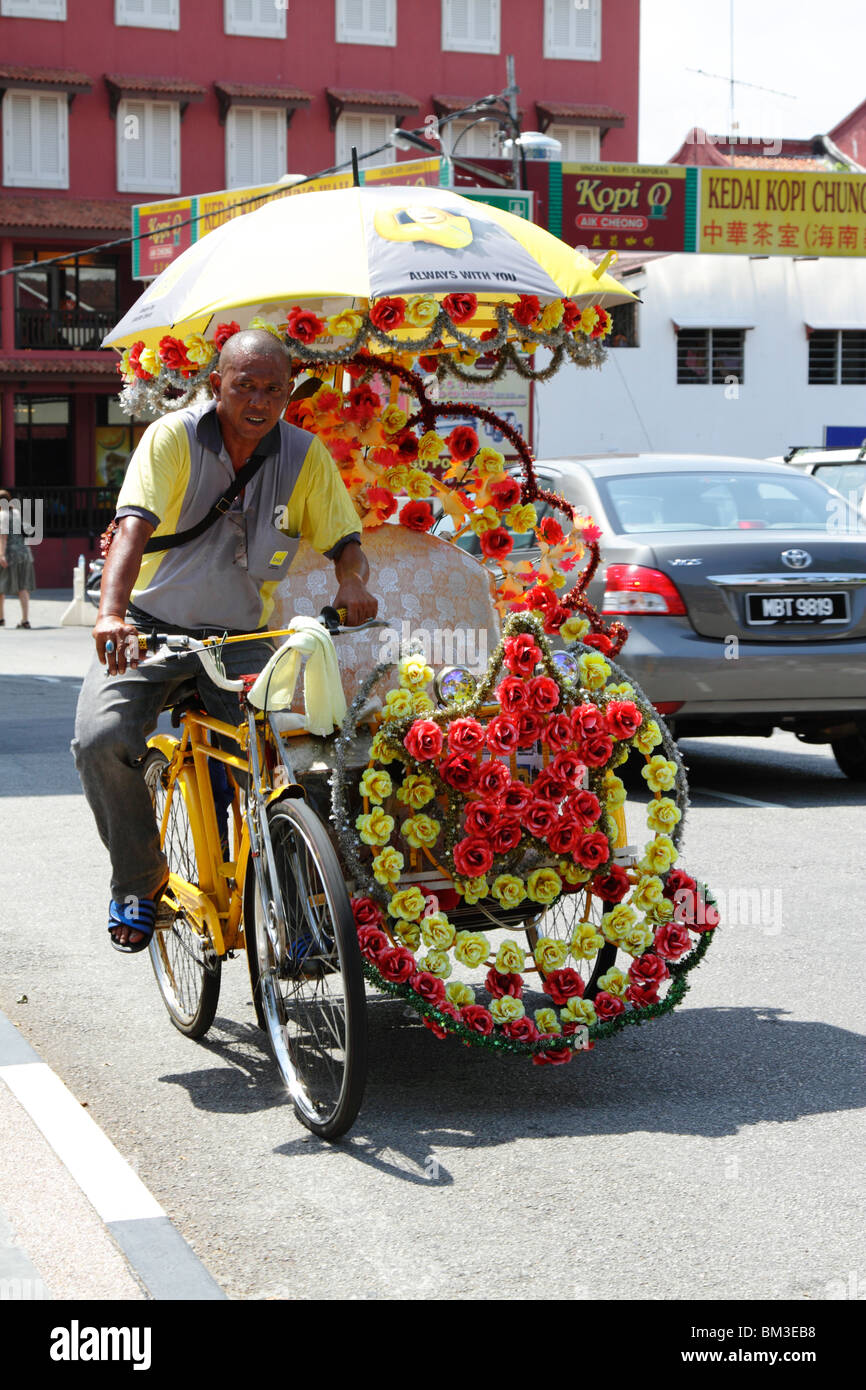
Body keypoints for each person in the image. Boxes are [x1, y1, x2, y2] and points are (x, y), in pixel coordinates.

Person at [72, 329, 377, 953]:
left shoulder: (304, 455)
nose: (258, 400)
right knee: (100, 741)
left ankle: (299, 908)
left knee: (294, 758)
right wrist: (109, 615)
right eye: (245, 385)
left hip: (241, 637)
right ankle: (139, 881)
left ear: (288, 393)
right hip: (148, 628)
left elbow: (346, 542)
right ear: (218, 385)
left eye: (273, 388)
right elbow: (132, 528)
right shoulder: (173, 438)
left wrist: (351, 582)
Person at [0, 491, 36, 628]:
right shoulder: (17, 513)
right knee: (23, 587)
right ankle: (25, 620)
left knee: (0, 587)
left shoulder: (2, 515)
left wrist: (1, 555)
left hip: (10, 555)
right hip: (25, 553)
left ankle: (1, 618)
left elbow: (3, 537)